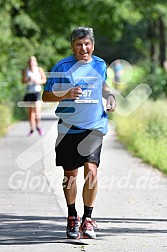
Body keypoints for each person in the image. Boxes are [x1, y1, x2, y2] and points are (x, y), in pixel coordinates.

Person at [42, 27, 116, 239]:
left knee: (92, 171)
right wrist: (65, 94)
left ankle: (88, 219)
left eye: (87, 44)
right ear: (72, 46)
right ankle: (72, 216)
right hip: (69, 128)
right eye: (78, 44)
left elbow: (104, 86)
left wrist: (110, 96)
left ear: (93, 45)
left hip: (94, 127)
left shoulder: (100, 64)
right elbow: (46, 96)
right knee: (70, 176)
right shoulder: (62, 66)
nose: (84, 48)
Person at [22, 56, 46, 136]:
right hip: (29, 92)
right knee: (30, 113)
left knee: (37, 112)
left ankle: (38, 127)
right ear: (28, 63)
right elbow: (23, 81)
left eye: (33, 61)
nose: (31, 63)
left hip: (37, 92)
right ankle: (31, 129)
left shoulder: (39, 69)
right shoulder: (26, 70)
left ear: (35, 62)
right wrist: (28, 80)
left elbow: (44, 80)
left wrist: (38, 81)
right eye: (30, 62)